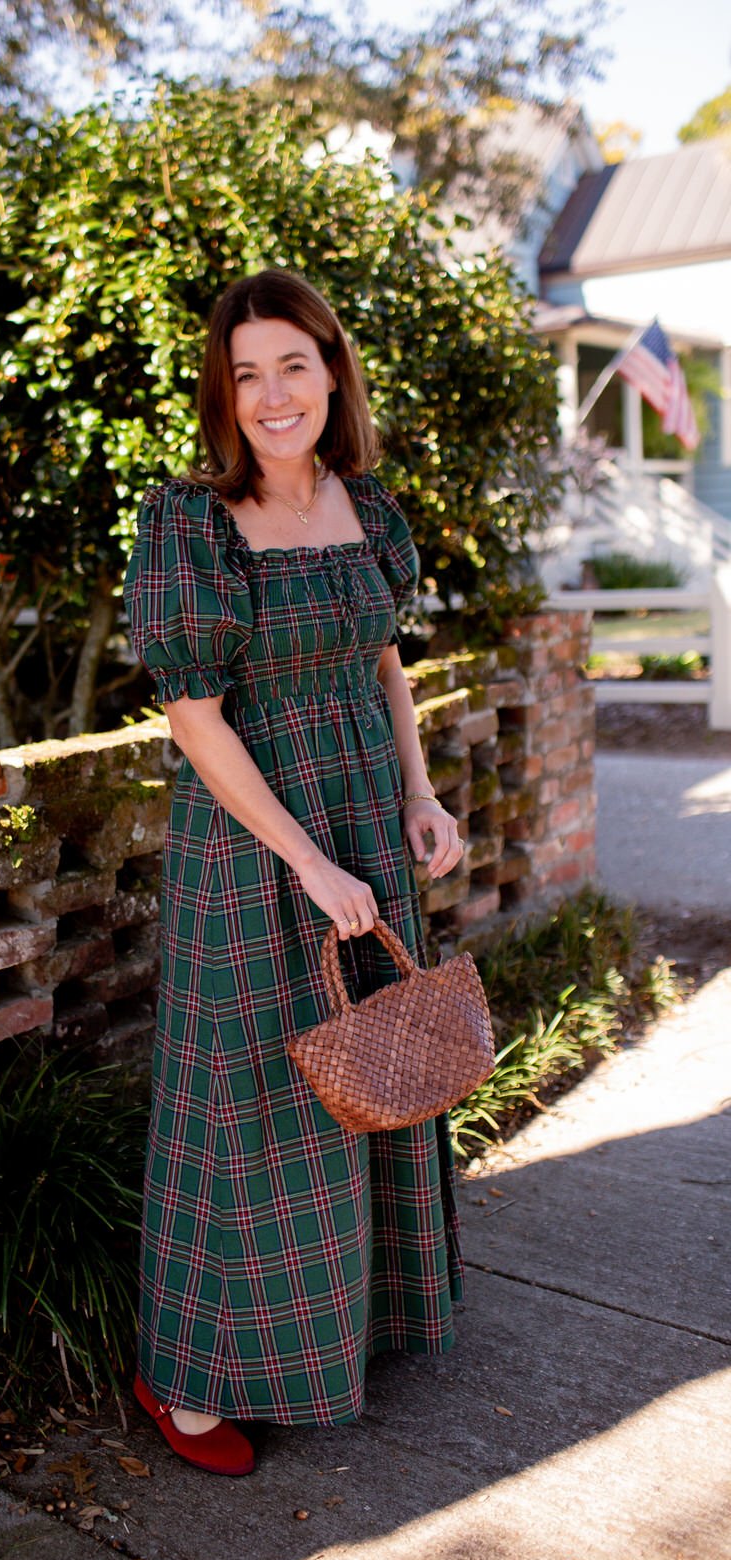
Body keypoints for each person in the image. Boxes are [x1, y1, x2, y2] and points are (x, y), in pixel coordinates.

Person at [122, 268, 465, 1477]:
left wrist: (419, 793)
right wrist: (310, 864)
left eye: (294, 366)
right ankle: (187, 1375)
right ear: (224, 391)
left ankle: (338, 1333)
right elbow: (198, 721)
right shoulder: (189, 522)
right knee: (250, 1101)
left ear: (332, 374)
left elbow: (382, 661)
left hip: (367, 814)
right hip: (255, 840)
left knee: (373, 1070)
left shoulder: (363, 505)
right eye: (246, 372)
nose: (272, 394)